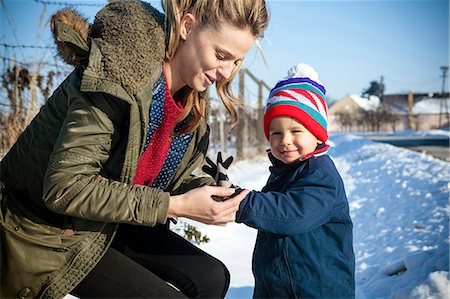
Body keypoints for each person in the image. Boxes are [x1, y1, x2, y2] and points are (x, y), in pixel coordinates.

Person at [0, 0, 269, 298]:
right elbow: (65, 187)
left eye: (236, 62)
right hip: (45, 228)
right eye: (221, 55)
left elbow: (151, 176)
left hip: (106, 219)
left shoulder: (187, 104)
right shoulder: (115, 78)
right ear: (187, 27)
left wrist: (206, 192)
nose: (225, 72)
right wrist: (175, 206)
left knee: (212, 277)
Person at [235, 63, 355, 298]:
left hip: (316, 290)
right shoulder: (286, 170)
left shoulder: (320, 175)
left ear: (316, 133)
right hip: (279, 286)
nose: (285, 141)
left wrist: (241, 202)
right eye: (276, 133)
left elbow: (291, 215)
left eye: (296, 131)